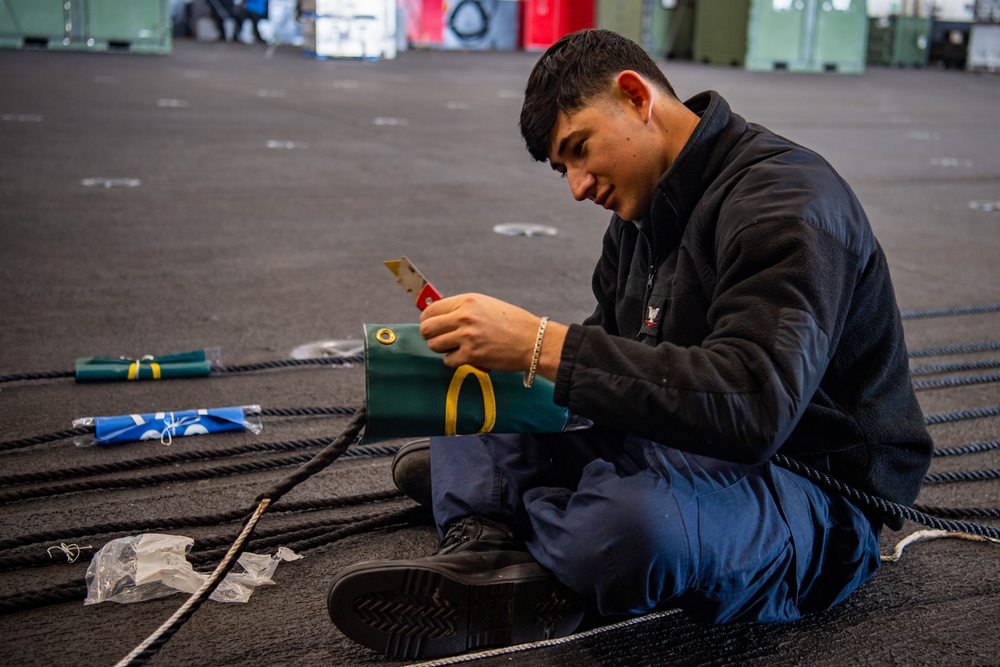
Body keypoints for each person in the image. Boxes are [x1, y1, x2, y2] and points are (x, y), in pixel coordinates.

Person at [327, 29, 933, 660]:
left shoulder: (788, 201)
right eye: (566, 169)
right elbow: (609, 372)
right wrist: (500, 367)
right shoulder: (640, 220)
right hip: (680, 441)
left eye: (580, 151)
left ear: (636, 96)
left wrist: (539, 343)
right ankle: (492, 542)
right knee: (476, 405)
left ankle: (505, 513)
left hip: (808, 484)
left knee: (631, 528)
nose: (579, 187)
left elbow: (756, 405)